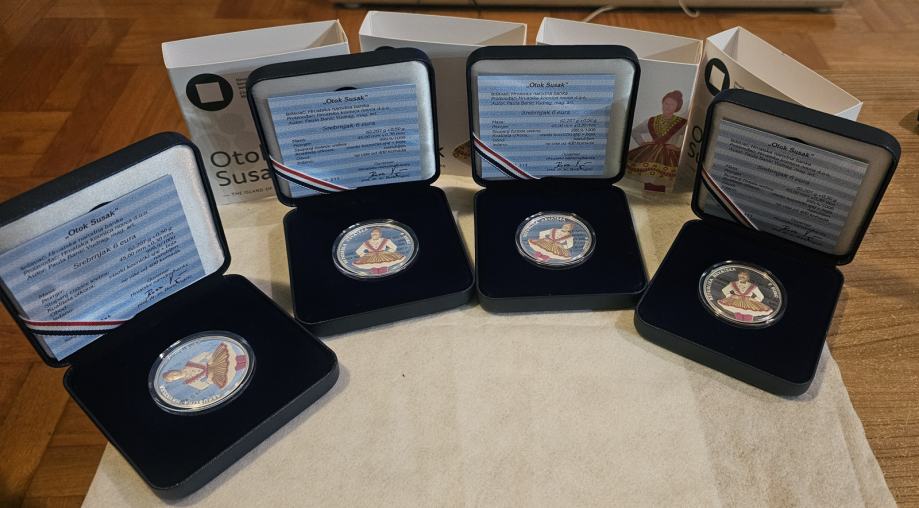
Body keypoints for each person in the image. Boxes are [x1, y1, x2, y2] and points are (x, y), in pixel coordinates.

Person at [626, 90, 688, 192]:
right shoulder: (652, 120)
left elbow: (691, 138)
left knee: (661, 184)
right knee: (648, 183)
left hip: (669, 157)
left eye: (672, 104)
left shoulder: (682, 123)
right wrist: (642, 143)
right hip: (650, 155)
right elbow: (635, 131)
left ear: (677, 107)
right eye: (666, 103)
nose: (668, 106)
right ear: (662, 103)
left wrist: (679, 148)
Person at [162, 341, 248, 390]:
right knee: (235, 368)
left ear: (172, 370)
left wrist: (208, 357)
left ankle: (247, 356)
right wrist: (209, 380)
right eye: (172, 378)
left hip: (214, 363)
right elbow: (202, 386)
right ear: (174, 380)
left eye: (171, 374)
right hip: (216, 373)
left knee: (233, 359)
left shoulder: (189, 364)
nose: (174, 375)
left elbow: (203, 355)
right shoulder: (189, 381)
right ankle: (247, 363)